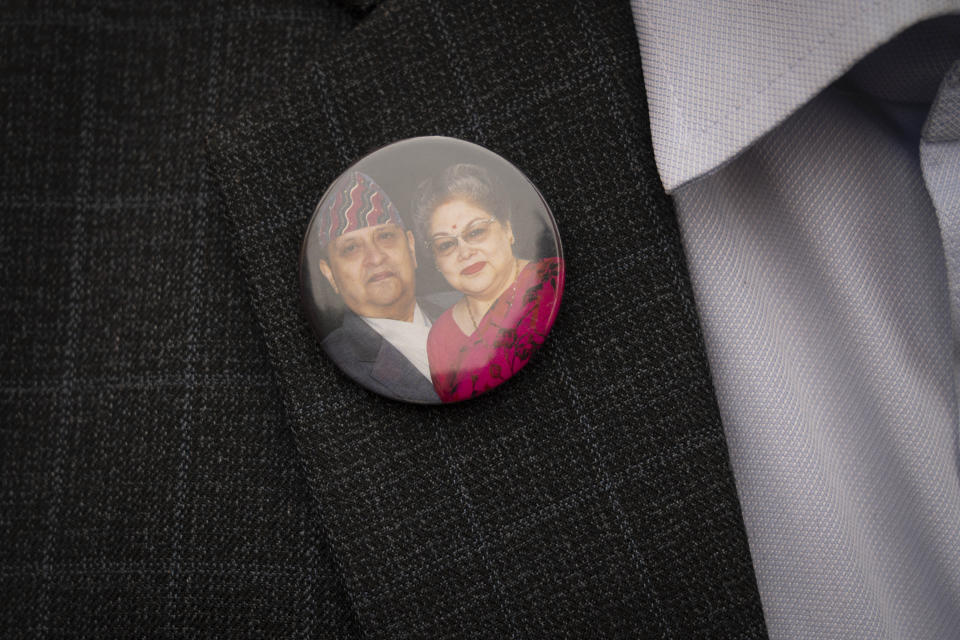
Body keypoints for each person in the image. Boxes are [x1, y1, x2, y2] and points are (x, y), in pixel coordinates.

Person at [414, 163, 564, 403]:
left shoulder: (552, 282)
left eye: (475, 232)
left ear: (507, 229)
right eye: (446, 245)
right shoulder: (440, 338)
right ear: (437, 262)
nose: (464, 252)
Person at [315, 171, 449, 403]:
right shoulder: (330, 365)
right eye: (351, 248)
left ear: (411, 246)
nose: (375, 258)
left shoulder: (472, 305)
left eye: (385, 236)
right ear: (330, 274)